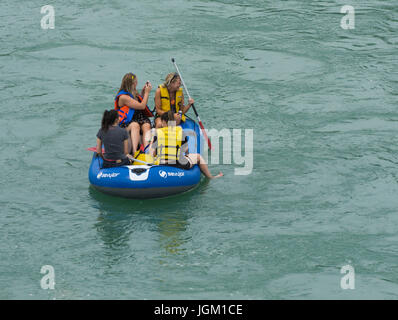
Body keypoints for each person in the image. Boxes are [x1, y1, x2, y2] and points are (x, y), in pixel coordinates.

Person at [150, 110, 222, 179]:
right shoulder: (179, 131)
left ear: (163, 122)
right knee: (198, 157)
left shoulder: (158, 133)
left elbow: (153, 153)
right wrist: (186, 155)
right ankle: (211, 177)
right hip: (177, 164)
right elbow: (186, 149)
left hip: (161, 163)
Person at [114, 72, 153, 155]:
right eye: (136, 82)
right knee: (135, 125)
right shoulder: (123, 97)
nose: (137, 83)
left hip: (138, 118)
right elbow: (142, 106)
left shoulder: (133, 92)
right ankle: (135, 152)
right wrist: (147, 93)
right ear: (132, 84)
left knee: (146, 125)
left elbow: (138, 102)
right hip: (128, 121)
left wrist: (142, 93)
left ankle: (147, 150)